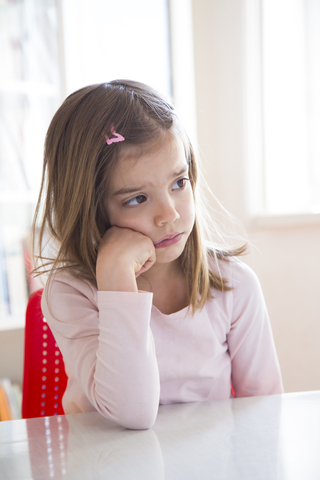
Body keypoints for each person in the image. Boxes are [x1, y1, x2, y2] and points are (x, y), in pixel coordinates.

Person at [33, 80, 283, 430]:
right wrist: (117, 276)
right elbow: (131, 412)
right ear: (92, 210)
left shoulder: (234, 285)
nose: (169, 215)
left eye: (178, 183)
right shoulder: (71, 292)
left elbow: (264, 414)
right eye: (137, 198)